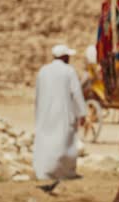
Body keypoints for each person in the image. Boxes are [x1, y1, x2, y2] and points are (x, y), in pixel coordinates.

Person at [33, 44, 87, 180]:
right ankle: (65, 172)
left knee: (46, 142)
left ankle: (44, 172)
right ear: (64, 57)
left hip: (45, 114)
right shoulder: (69, 71)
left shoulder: (43, 71)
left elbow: (37, 95)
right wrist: (82, 113)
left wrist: (38, 114)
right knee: (63, 143)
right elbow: (76, 93)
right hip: (63, 114)